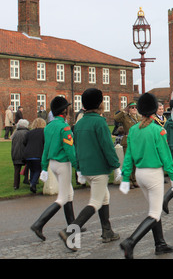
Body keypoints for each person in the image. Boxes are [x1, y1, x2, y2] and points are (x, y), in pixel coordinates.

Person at [59, 88, 121, 251]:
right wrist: (116, 166)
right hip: (98, 168)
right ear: (99, 104)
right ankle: (70, 231)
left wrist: (78, 168)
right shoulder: (100, 122)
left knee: (104, 196)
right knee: (95, 201)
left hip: (86, 168)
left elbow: (76, 148)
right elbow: (108, 147)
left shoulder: (78, 124)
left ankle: (107, 231)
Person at [119, 93, 173, 259]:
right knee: (154, 213)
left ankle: (160, 243)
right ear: (152, 111)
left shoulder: (134, 130)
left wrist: (125, 178)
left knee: (154, 209)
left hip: (140, 174)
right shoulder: (158, 130)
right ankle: (131, 241)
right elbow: (165, 155)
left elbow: (128, 155)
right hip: (153, 174)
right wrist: (172, 175)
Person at [30, 97, 79, 241]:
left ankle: (73, 226)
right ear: (64, 111)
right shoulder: (64, 127)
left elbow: (46, 149)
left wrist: (44, 167)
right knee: (64, 197)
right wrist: (78, 167)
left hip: (52, 163)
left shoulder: (48, 126)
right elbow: (70, 149)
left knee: (68, 194)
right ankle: (39, 223)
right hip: (63, 164)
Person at [114, 101, 142, 188]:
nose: (134, 109)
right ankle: (128, 181)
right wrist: (123, 111)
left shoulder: (139, 117)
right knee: (129, 162)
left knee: (135, 162)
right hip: (128, 141)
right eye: (132, 107)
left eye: (135, 107)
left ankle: (134, 179)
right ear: (128, 109)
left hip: (137, 141)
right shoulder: (125, 117)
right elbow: (116, 118)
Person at [23, 118, 46, 193]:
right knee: (37, 170)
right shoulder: (43, 132)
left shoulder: (29, 133)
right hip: (38, 154)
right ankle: (33, 183)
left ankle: (33, 185)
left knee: (32, 170)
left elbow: (24, 142)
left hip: (28, 154)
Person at [11, 119, 30, 189]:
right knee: (29, 165)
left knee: (16, 170)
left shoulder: (15, 133)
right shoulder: (27, 132)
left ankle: (16, 185)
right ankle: (27, 179)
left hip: (15, 153)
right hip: (24, 153)